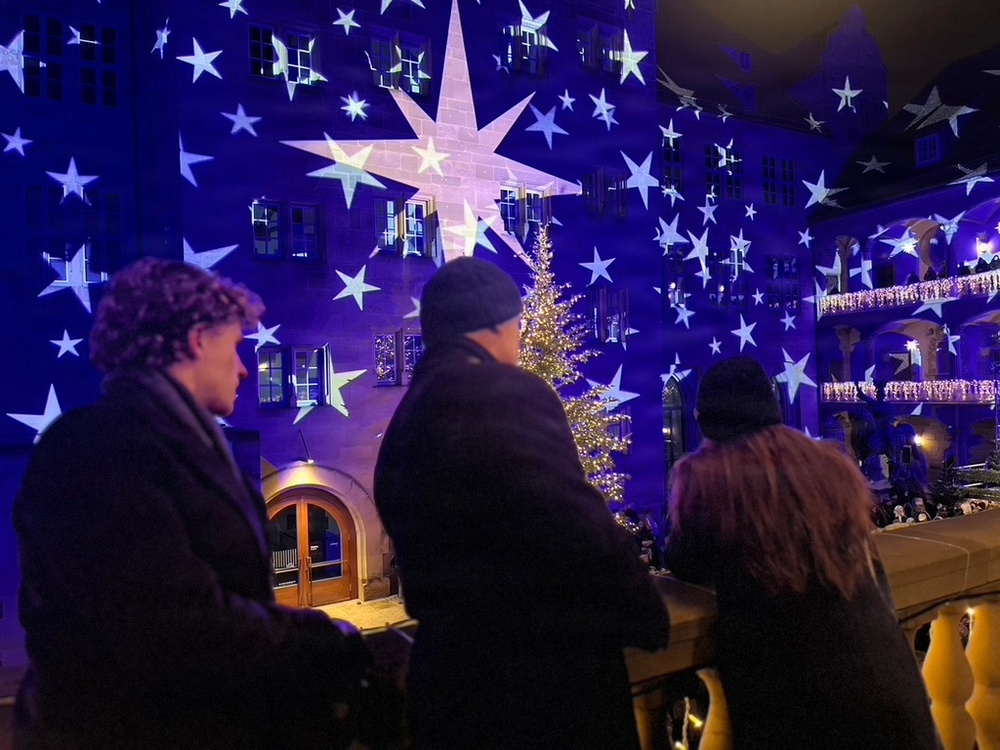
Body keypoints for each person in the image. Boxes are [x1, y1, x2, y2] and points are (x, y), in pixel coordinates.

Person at [13, 258, 370, 750]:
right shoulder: (95, 449)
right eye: (235, 346)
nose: (245, 367)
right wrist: (324, 640)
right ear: (198, 339)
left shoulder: (189, 447)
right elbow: (170, 624)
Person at [373, 256, 670, 750]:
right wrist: (644, 612)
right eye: (518, 325)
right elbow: (576, 527)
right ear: (496, 324)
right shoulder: (508, 392)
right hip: (538, 691)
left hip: (447, 687)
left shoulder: (407, 417)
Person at [665, 357, 941, 750]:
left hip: (797, 701)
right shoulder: (827, 465)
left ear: (703, 418)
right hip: (885, 680)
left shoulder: (709, 478)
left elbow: (684, 560)